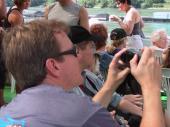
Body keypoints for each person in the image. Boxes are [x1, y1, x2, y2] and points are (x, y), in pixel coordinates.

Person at [0, 19, 130, 127]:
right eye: (73, 51)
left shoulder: (4, 115)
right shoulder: (84, 113)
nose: (77, 56)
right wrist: (149, 87)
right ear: (53, 66)